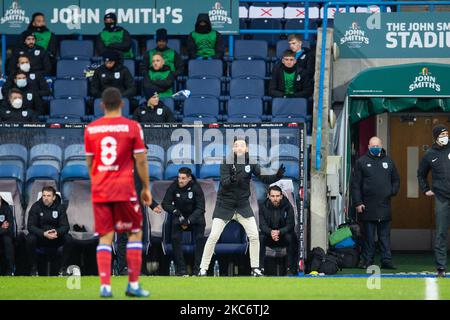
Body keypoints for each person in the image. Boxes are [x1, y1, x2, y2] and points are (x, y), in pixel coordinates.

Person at [84, 87, 152, 298]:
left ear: (102, 105)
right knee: (135, 233)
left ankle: (105, 286)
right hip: (124, 187)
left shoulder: (91, 129)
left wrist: (97, 181)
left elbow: (90, 162)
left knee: (105, 237)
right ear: (122, 104)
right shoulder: (133, 127)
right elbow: (140, 160)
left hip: (101, 188)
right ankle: (132, 284)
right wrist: (146, 187)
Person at [198, 137, 285, 276]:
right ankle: (203, 269)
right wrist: (232, 178)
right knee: (213, 236)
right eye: (236, 145)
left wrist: (277, 176)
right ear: (233, 149)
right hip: (224, 206)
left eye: (242, 145)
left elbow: (264, 178)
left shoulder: (251, 162)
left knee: (254, 236)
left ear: (246, 149)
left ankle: (255, 268)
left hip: (243, 206)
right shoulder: (226, 162)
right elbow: (225, 183)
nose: (239, 147)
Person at [351, 136, 400, 270]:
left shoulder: (389, 161)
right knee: (368, 238)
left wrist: (392, 191)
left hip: (384, 206)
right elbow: (355, 185)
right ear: (368, 146)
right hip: (367, 206)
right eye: (372, 146)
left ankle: (386, 261)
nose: (375, 148)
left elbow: (396, 180)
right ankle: (367, 260)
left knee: (384, 237)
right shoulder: (361, 162)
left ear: (381, 145)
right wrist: (358, 203)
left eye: (377, 145)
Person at [417, 124, 450, 277]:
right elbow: (421, 174)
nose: (445, 137)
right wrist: (425, 189)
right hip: (442, 198)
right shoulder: (430, 154)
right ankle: (441, 268)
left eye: (447, 134)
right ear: (436, 137)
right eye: (442, 135)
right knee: (441, 233)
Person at [162, 167, 206, 276]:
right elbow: (165, 203)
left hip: (195, 217)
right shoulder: (174, 186)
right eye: (179, 177)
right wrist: (175, 211)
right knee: (175, 238)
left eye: (183, 178)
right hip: (179, 215)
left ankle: (198, 270)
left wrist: (190, 220)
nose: (180, 180)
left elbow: (201, 208)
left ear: (189, 178)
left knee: (200, 238)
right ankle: (181, 270)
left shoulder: (196, 187)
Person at [25, 186, 73, 276]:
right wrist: (43, 233)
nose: (46, 198)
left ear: (54, 197)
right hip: (41, 238)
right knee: (30, 238)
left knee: (68, 238)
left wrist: (57, 232)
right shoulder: (35, 207)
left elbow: (65, 226)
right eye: (44, 196)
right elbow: (30, 226)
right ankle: (34, 269)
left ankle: (62, 269)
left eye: (48, 196)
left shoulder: (60, 207)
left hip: (55, 238)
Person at [258, 185, 296, 276]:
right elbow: (262, 225)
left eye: (277, 196)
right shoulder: (263, 206)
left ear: (281, 196)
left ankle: (290, 269)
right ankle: (260, 268)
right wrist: (271, 232)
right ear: (268, 196)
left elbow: (291, 224)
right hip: (269, 235)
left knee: (291, 237)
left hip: (283, 235)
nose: (275, 198)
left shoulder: (287, 206)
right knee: (260, 238)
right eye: (273, 196)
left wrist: (279, 232)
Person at [0, 195, 14, 276]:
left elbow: (10, 228)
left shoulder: (6, 208)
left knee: (7, 241)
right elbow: (4, 228)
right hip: (2, 232)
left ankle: (10, 271)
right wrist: (1, 228)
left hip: (4, 236)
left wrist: (2, 230)